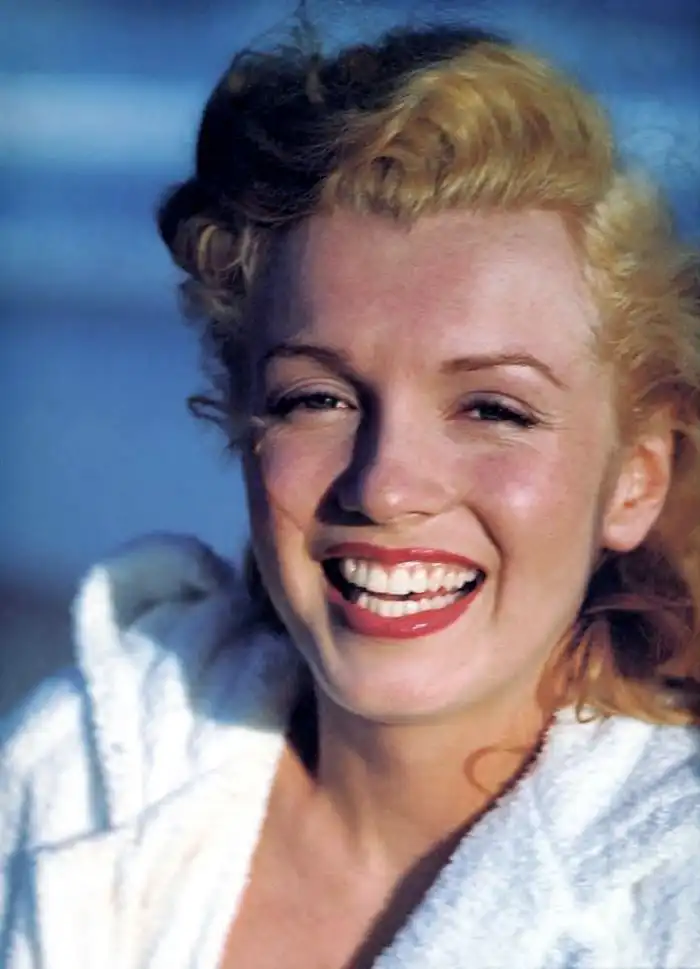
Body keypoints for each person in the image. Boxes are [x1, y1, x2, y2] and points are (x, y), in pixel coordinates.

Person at [2, 20, 699, 969]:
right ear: (244, 418)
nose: (384, 485)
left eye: (492, 408)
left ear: (636, 478)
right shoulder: (78, 777)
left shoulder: (673, 905)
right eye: (317, 398)